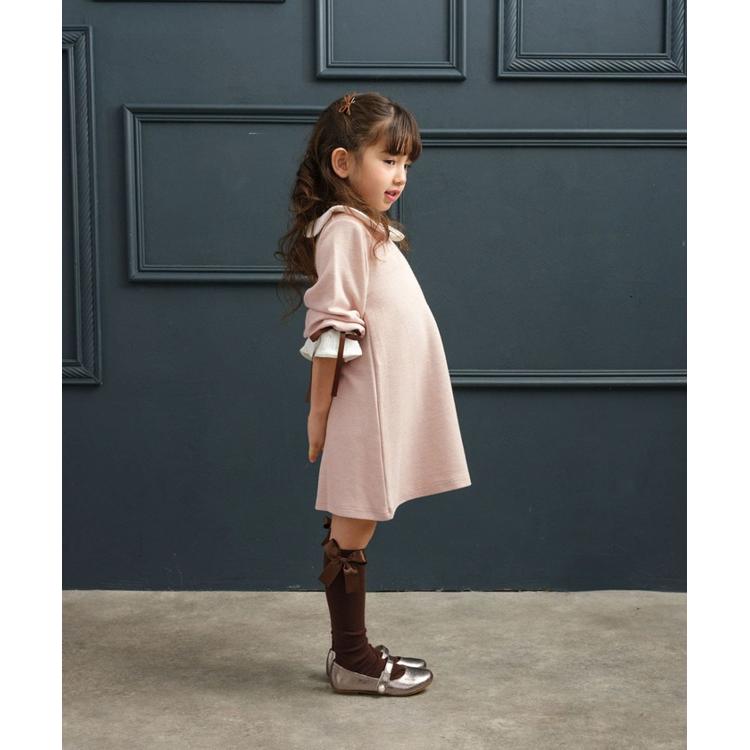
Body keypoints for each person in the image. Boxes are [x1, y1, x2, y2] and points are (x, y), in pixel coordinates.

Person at [275, 91, 472, 696]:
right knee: (354, 523)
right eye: (388, 160)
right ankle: (353, 659)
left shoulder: (365, 228)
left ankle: (351, 654)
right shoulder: (342, 228)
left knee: (356, 523)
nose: (400, 175)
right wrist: (319, 413)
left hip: (384, 401)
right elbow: (333, 329)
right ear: (342, 163)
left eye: (406, 163)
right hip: (366, 404)